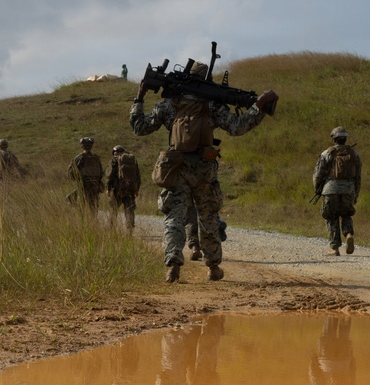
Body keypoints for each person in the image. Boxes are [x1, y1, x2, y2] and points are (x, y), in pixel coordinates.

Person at [131, 60, 277, 282]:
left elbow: (139, 127)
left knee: (174, 217)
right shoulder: (212, 105)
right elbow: (237, 127)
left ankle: (173, 265)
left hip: (175, 168)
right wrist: (259, 107)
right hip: (204, 169)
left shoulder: (169, 105)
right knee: (208, 217)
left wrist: (139, 96)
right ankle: (213, 268)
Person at [312, 126, 362, 256]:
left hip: (330, 189)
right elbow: (358, 177)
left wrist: (317, 188)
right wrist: (355, 193)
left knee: (331, 216)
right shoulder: (354, 154)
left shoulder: (327, 153)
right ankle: (349, 234)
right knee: (346, 214)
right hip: (349, 189)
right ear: (345, 138)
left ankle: (335, 248)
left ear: (334, 138)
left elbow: (318, 174)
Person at [107, 145, 141, 232]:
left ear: (114, 153)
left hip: (117, 190)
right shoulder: (132, 161)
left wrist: (108, 188)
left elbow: (109, 176)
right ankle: (129, 229)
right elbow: (138, 177)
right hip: (130, 190)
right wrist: (136, 189)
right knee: (129, 210)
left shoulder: (114, 161)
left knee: (113, 210)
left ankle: (111, 229)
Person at [69, 137, 105, 212]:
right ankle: (94, 222)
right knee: (93, 209)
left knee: (80, 208)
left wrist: (78, 178)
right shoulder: (96, 158)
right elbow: (101, 173)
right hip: (95, 188)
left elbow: (71, 173)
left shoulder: (78, 158)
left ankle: (82, 222)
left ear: (82, 146)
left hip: (83, 187)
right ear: (91, 146)